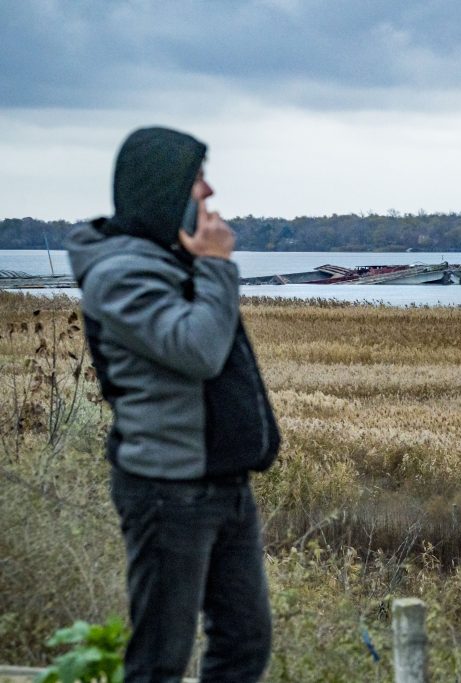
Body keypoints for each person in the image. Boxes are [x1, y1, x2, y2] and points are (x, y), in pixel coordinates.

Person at [67, 126, 281, 682]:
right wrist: (215, 266)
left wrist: (205, 267)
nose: (208, 193)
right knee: (160, 657)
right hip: (168, 490)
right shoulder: (119, 274)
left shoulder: (171, 258)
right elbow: (199, 349)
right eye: (196, 180)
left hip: (223, 483)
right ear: (162, 190)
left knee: (245, 642)